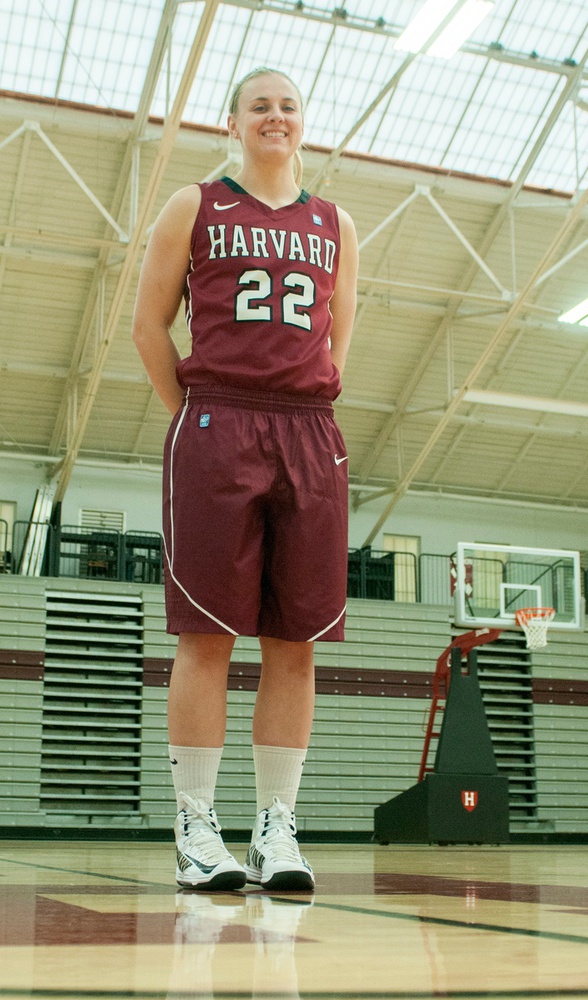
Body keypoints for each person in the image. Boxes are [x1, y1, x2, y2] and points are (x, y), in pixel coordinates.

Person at [132, 66, 358, 892]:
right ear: (232, 121)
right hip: (217, 419)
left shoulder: (334, 222)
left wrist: (290, 411)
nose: (275, 116)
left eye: (288, 105)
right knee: (205, 636)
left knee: (294, 641)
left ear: (304, 123)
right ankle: (197, 829)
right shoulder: (194, 204)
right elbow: (147, 326)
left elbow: (337, 346)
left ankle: (276, 833)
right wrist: (199, 415)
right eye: (259, 105)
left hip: (307, 433)